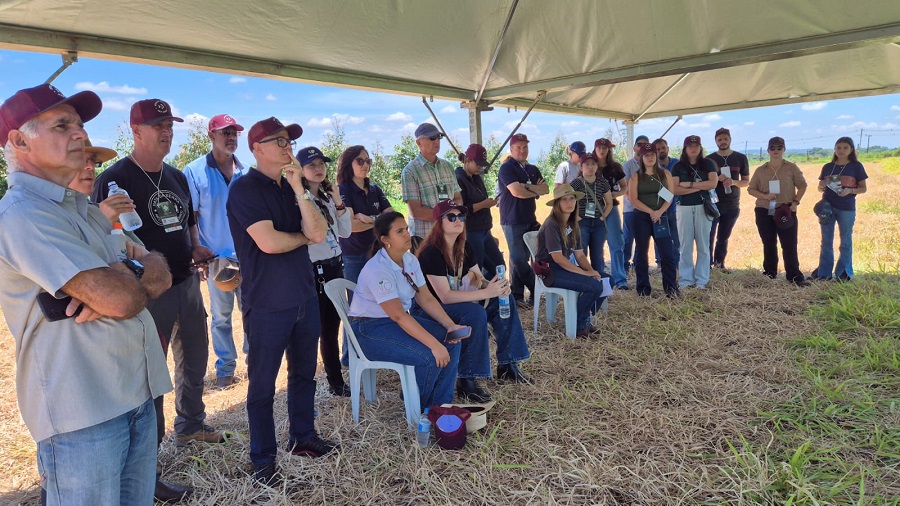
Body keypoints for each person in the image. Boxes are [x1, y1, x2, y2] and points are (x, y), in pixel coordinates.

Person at [0, 83, 173, 505]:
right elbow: (123, 299)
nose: (82, 135)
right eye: (63, 125)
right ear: (19, 141)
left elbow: (159, 270)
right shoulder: (24, 214)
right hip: (83, 411)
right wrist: (129, 277)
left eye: (80, 125)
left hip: (131, 392)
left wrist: (128, 272)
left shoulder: (81, 212)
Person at [93, 98, 221, 502]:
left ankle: (192, 424)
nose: (166, 131)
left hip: (186, 282)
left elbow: (189, 224)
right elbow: (108, 241)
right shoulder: (115, 178)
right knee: (151, 378)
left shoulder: (177, 175)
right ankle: (149, 468)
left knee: (195, 358)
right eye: (157, 125)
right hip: (148, 293)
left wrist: (197, 249)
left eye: (170, 124)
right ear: (136, 131)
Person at [226, 117, 337, 485]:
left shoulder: (295, 186)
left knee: (304, 374)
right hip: (268, 303)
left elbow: (318, 233)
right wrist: (303, 237)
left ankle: (303, 438)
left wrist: (299, 189)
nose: (287, 146)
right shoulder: (244, 190)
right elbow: (269, 243)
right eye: (278, 140)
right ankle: (263, 458)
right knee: (262, 385)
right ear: (256, 148)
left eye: (289, 140)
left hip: (304, 294)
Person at [348, 211, 466, 408]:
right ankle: (419, 408)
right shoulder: (378, 269)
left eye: (407, 229)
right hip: (369, 329)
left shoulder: (409, 260)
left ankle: (441, 406)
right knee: (429, 357)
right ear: (385, 239)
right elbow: (399, 316)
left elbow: (426, 298)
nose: (407, 235)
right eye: (400, 231)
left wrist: (450, 325)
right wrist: (434, 345)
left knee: (452, 342)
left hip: (394, 322)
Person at [417, 201, 532, 384]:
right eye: (451, 217)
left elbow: (478, 279)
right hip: (432, 310)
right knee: (475, 313)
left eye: (461, 216)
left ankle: (508, 364)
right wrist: (487, 293)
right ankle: (467, 379)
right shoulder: (431, 252)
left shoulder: (464, 246)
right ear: (439, 222)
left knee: (505, 299)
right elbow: (444, 296)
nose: (458, 221)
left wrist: (496, 286)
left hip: (458, 302)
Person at [183, 114, 248, 389]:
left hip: (249, 256)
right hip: (219, 258)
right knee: (222, 318)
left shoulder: (246, 172)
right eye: (225, 132)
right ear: (212, 136)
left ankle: (255, 363)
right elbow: (191, 216)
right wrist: (197, 253)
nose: (231, 137)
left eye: (234, 133)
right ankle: (225, 369)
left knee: (252, 312)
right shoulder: (195, 171)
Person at [298, 145, 353, 397]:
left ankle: (335, 380)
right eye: (311, 165)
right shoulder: (299, 200)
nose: (318, 169)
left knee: (335, 323)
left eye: (321, 164)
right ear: (300, 170)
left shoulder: (327, 196)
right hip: (315, 270)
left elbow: (345, 231)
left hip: (335, 265)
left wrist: (339, 201)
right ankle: (334, 381)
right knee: (324, 329)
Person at [535, 185, 608, 337]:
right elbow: (558, 258)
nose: (569, 202)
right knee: (594, 286)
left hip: (564, 268)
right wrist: (585, 274)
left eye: (572, 198)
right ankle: (579, 325)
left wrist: (590, 271)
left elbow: (580, 255)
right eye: (564, 199)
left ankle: (583, 317)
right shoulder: (552, 224)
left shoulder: (573, 224)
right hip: (550, 271)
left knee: (607, 279)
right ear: (557, 203)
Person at [747, 137, 809, 286]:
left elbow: (802, 185)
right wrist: (764, 196)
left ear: (784, 150)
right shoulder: (760, 170)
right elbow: (750, 189)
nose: (776, 151)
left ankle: (794, 276)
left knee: (789, 244)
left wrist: (796, 202)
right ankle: (769, 273)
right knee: (768, 243)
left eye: (779, 148)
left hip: (785, 209)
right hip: (764, 210)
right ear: (768, 150)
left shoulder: (791, 168)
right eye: (772, 148)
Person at [498, 133, 550, 307]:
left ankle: (518, 296)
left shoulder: (532, 169)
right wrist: (532, 189)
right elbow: (516, 192)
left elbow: (545, 189)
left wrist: (526, 186)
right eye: (518, 147)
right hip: (512, 220)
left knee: (523, 258)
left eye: (525, 147)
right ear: (511, 149)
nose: (522, 150)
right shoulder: (507, 168)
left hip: (529, 218)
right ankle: (537, 288)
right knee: (519, 259)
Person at [811, 137, 868, 282]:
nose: (841, 150)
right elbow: (820, 187)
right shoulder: (828, 167)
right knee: (826, 241)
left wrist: (850, 191)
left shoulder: (856, 166)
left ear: (851, 150)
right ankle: (824, 274)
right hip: (827, 207)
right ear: (834, 149)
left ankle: (844, 273)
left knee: (845, 241)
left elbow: (863, 189)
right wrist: (821, 186)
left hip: (846, 208)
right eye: (838, 147)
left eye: (845, 147)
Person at [626, 143, 678, 297]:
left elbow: (669, 196)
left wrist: (659, 212)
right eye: (646, 155)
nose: (649, 158)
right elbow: (633, 199)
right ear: (641, 158)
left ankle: (671, 289)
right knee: (641, 253)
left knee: (667, 253)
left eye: (652, 155)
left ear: (656, 156)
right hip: (641, 217)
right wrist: (651, 212)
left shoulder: (665, 174)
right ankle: (643, 289)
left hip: (661, 216)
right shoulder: (636, 176)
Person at [336, 145, 393, 284]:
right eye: (360, 161)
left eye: (368, 161)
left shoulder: (375, 189)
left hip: (379, 251)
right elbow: (351, 226)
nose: (365, 165)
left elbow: (393, 219)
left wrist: (370, 219)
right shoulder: (342, 190)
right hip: (354, 255)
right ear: (348, 163)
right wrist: (379, 221)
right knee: (357, 300)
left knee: (383, 296)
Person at [401, 122, 461, 248]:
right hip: (424, 237)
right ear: (418, 143)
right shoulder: (410, 171)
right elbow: (416, 211)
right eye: (432, 138)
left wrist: (449, 217)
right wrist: (447, 217)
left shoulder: (447, 166)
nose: (437, 141)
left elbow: (458, 198)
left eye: (439, 137)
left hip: (449, 234)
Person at [671, 135, 718, 290]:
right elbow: (675, 189)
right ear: (685, 148)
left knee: (703, 245)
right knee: (685, 245)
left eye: (696, 145)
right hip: (683, 207)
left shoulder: (708, 163)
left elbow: (713, 183)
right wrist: (700, 186)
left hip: (703, 207)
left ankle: (701, 280)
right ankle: (686, 279)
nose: (693, 148)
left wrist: (691, 185)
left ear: (700, 147)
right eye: (690, 146)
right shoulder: (678, 166)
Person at [706, 128, 750, 271]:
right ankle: (706, 266)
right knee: (709, 236)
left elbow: (745, 181)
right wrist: (716, 179)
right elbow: (704, 181)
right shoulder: (709, 159)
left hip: (732, 204)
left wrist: (734, 182)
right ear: (716, 141)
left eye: (725, 139)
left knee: (723, 237)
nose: (723, 142)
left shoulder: (741, 158)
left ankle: (720, 265)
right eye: (720, 139)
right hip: (713, 204)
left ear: (730, 139)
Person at [455, 143, 503, 274]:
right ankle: (485, 294)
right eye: (478, 164)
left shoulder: (476, 178)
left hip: (484, 230)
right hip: (471, 231)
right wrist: (484, 204)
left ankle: (497, 293)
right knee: (477, 270)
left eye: (482, 165)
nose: (480, 168)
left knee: (498, 265)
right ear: (467, 160)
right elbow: (461, 209)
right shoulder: (459, 179)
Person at [569, 152, 613, 273]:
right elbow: (568, 201)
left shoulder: (602, 182)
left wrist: (602, 217)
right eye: (587, 164)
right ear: (581, 167)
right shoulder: (576, 183)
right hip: (581, 223)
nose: (590, 167)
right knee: (581, 254)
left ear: (597, 166)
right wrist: (576, 217)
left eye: (593, 164)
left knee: (598, 256)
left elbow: (609, 203)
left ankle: (599, 284)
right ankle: (583, 281)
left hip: (598, 223)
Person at [594, 138, 629, 289]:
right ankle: (599, 278)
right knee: (596, 244)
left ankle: (620, 280)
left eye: (605, 148)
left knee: (616, 243)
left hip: (612, 207)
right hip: (594, 209)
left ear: (609, 150)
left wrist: (616, 194)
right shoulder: (590, 165)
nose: (602, 151)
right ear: (595, 149)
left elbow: (624, 187)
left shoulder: (615, 167)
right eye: (599, 148)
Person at [621, 135, 651, 276]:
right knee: (628, 239)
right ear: (634, 147)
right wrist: (638, 204)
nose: (642, 147)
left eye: (645, 144)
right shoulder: (627, 166)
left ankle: (638, 266)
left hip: (651, 211)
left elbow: (665, 190)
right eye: (639, 144)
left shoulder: (654, 167)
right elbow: (625, 189)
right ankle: (624, 266)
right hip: (631, 210)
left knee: (643, 241)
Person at [652, 138, 681, 266]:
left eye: (663, 148)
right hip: (659, 209)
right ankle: (660, 264)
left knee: (676, 238)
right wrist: (670, 192)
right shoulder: (651, 168)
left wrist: (670, 191)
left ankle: (677, 263)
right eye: (657, 149)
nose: (661, 151)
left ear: (667, 148)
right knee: (660, 237)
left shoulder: (677, 164)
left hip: (677, 208)